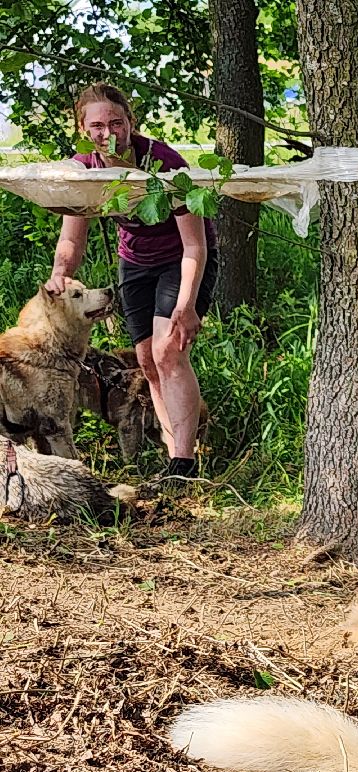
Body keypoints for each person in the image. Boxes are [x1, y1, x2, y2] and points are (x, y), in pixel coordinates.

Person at [46, 83, 214, 481]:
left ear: (130, 122)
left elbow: (195, 245)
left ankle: (184, 464)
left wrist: (186, 305)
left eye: (117, 123)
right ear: (83, 129)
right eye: (98, 126)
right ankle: (175, 454)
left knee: (168, 351)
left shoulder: (164, 163)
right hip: (135, 262)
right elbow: (72, 238)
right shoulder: (83, 169)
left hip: (181, 259)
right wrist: (60, 274)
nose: (109, 134)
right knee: (147, 362)